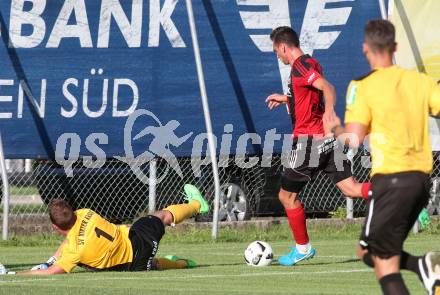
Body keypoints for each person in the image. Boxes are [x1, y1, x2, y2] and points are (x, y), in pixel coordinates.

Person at [324, 19, 440, 295]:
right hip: (422, 182)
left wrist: (334, 127)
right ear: (395, 47)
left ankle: (422, 265)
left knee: (383, 263)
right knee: (367, 250)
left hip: (391, 181)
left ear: (365, 48)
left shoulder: (362, 86)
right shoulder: (421, 81)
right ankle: (421, 265)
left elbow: (353, 139)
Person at [266, 26, 371, 266]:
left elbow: (327, 88)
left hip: (309, 142)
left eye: (276, 51)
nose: (277, 56)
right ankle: (400, 196)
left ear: (283, 47)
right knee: (351, 188)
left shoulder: (300, 66)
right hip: (328, 141)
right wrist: (287, 99)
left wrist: (330, 113)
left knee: (286, 196)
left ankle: (302, 248)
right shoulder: (311, 62)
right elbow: (310, 95)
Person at [5, 184, 208, 275]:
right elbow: (69, 240)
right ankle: (197, 206)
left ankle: (183, 264)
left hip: (132, 264)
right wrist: (48, 262)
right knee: (160, 216)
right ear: (73, 212)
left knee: (152, 264)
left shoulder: (76, 251)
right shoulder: (86, 213)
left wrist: (19, 274)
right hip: (135, 240)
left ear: (55, 227)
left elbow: (55, 270)